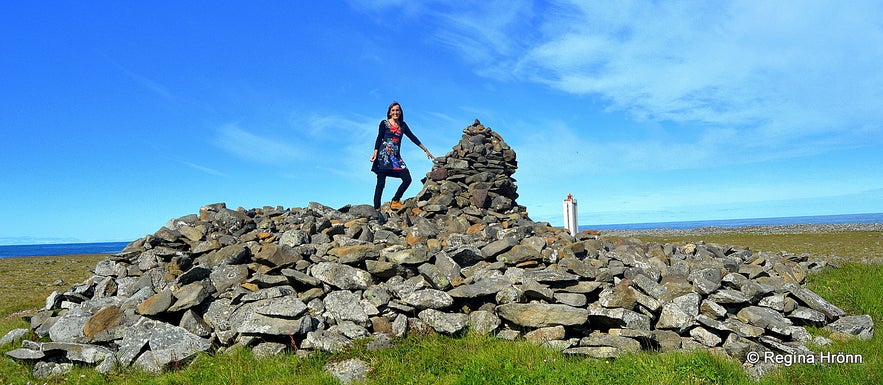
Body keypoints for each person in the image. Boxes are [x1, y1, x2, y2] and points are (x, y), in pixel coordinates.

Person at [370, 101, 434, 215]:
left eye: (397, 110)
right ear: (390, 112)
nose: (395, 112)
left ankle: (395, 200)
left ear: (400, 112)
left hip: (395, 158)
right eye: (393, 110)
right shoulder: (384, 123)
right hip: (383, 156)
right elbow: (379, 138)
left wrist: (425, 150)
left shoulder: (402, 125)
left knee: (407, 178)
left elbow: (413, 137)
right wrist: (375, 153)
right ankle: (377, 209)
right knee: (381, 182)